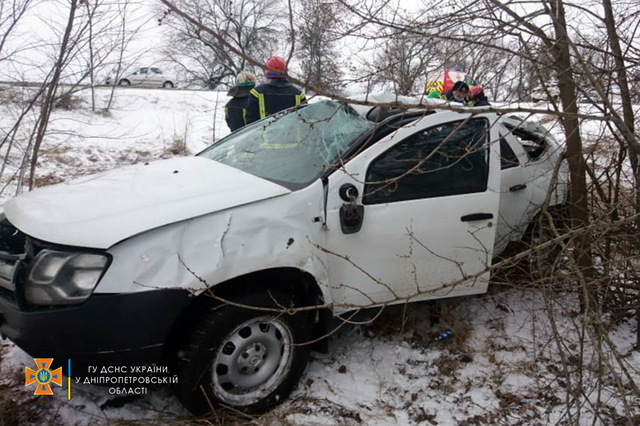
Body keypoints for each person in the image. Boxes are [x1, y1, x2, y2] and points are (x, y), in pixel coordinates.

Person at [245, 56, 306, 124]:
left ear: (266, 72)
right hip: (291, 134)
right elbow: (306, 121)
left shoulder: (256, 93)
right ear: (285, 71)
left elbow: (250, 122)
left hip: (266, 134)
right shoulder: (298, 94)